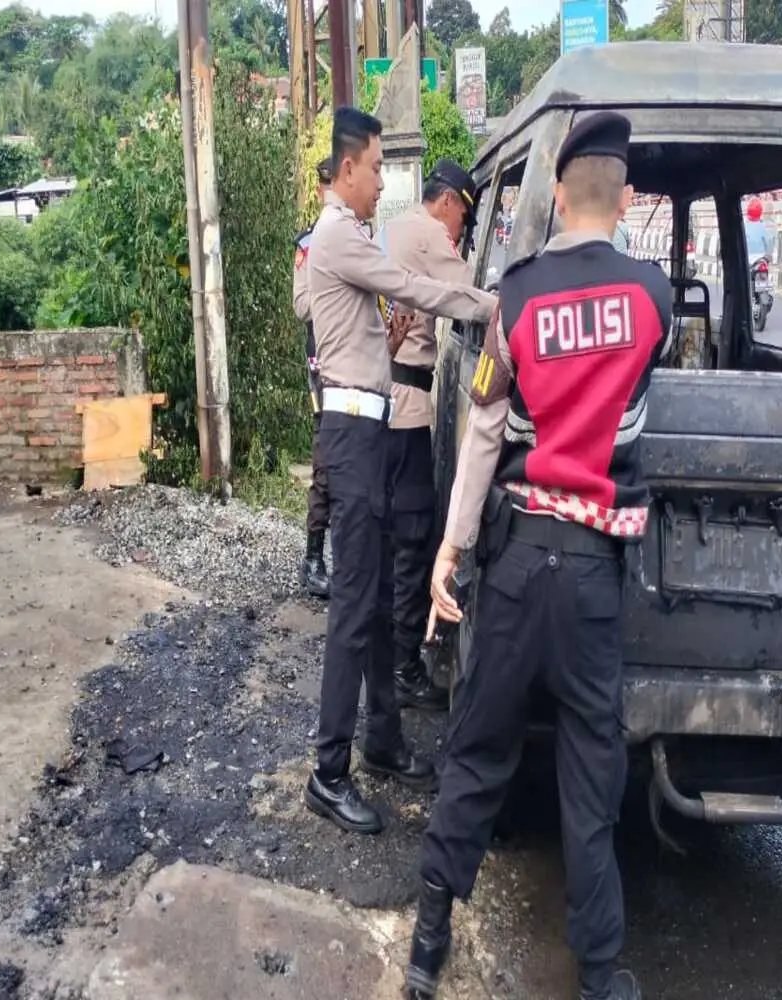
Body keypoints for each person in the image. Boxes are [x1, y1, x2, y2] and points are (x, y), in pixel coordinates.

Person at [403, 112, 673, 1000]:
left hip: (515, 571)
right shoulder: (653, 298)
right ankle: (601, 977)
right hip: (596, 577)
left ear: (556, 196)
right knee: (592, 778)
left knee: (478, 752)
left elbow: (483, 435)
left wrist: (451, 550)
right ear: (623, 198)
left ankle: (426, 947)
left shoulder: (514, 298)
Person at [303, 106, 497, 836]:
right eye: (378, 166)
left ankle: (381, 741)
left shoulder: (344, 238)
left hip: (369, 431)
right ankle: (328, 772)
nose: (382, 180)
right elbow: (418, 289)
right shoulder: (335, 236)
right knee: (354, 610)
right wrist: (488, 303)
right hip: (352, 437)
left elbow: (360, 320)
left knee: (381, 597)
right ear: (348, 168)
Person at [377, 159, 479, 712]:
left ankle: (398, 659)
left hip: (389, 403)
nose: (460, 228)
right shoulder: (429, 234)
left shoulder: (397, 227)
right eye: (463, 214)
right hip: (406, 405)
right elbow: (469, 290)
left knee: (399, 535)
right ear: (448, 204)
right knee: (414, 536)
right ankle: (402, 668)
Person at [293, 156, 336, 599]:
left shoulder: (359, 236)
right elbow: (302, 306)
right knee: (326, 457)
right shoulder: (308, 245)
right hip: (322, 360)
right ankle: (313, 559)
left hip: (355, 360)